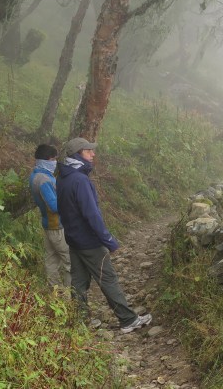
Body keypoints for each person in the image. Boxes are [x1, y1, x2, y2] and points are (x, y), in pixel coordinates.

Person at [56, 137, 152, 334]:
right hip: (89, 241)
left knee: (78, 283)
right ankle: (128, 320)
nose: (93, 154)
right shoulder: (80, 180)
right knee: (108, 278)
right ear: (77, 154)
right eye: (88, 151)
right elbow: (91, 214)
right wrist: (108, 240)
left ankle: (78, 323)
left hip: (73, 240)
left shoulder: (63, 178)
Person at [29, 143, 71, 288]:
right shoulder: (44, 180)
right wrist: (71, 203)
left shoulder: (35, 174)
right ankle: (69, 298)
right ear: (47, 160)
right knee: (69, 261)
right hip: (57, 226)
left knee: (51, 261)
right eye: (53, 159)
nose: (55, 163)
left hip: (48, 225)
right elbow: (54, 206)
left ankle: (55, 296)